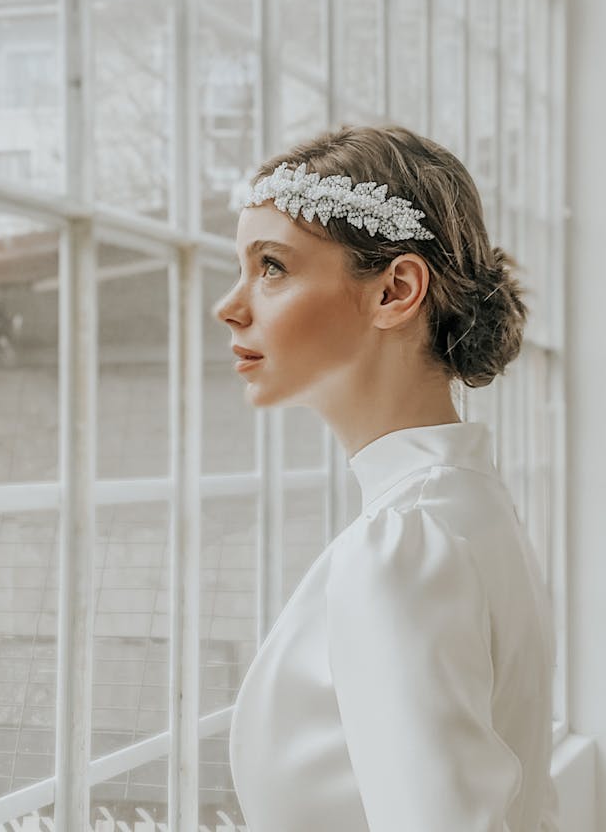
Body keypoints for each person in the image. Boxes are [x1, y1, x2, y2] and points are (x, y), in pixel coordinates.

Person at [212, 123, 560, 832]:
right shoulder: (465, 507)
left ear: (395, 290)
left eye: (271, 266)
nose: (231, 305)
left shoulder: (407, 542)